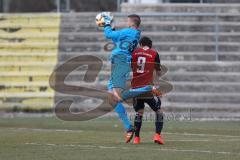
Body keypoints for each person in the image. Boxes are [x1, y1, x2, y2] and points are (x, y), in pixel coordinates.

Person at [102, 13, 154, 143]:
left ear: (132, 23)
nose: (126, 23)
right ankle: (128, 127)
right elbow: (117, 40)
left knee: (115, 97)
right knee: (112, 97)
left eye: (128, 21)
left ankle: (147, 88)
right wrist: (113, 29)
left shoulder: (129, 31)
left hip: (120, 62)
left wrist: (107, 24)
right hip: (122, 62)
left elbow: (108, 35)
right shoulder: (134, 34)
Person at [131, 37, 164, 144]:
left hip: (135, 88)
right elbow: (159, 72)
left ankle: (136, 138)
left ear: (141, 44)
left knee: (139, 112)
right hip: (147, 88)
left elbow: (132, 67)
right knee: (159, 111)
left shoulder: (134, 52)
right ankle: (157, 136)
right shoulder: (154, 53)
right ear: (150, 45)